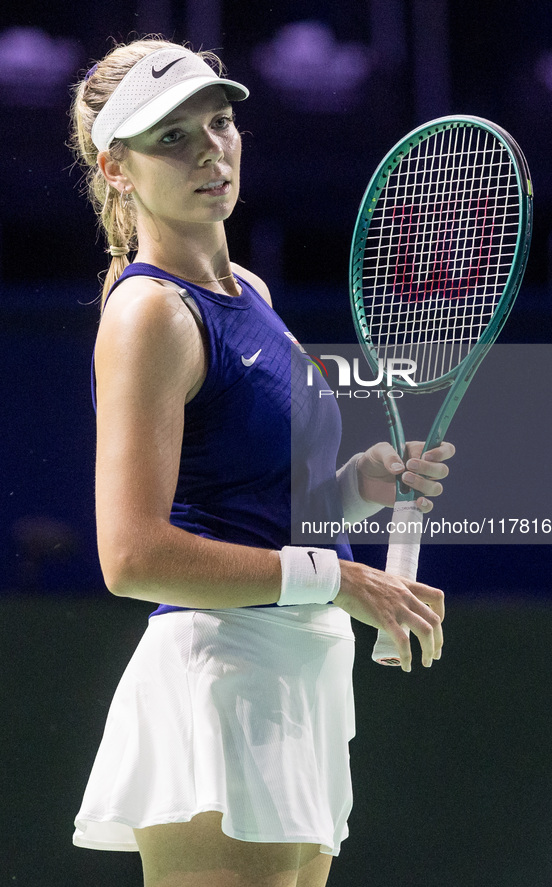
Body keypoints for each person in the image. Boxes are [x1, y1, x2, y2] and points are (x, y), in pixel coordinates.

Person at [69, 37, 454, 887]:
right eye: (171, 136)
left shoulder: (253, 295)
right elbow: (131, 556)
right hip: (223, 679)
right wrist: (345, 580)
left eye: (220, 122)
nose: (210, 148)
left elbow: (271, 507)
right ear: (117, 167)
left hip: (292, 673)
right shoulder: (150, 316)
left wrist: (363, 486)